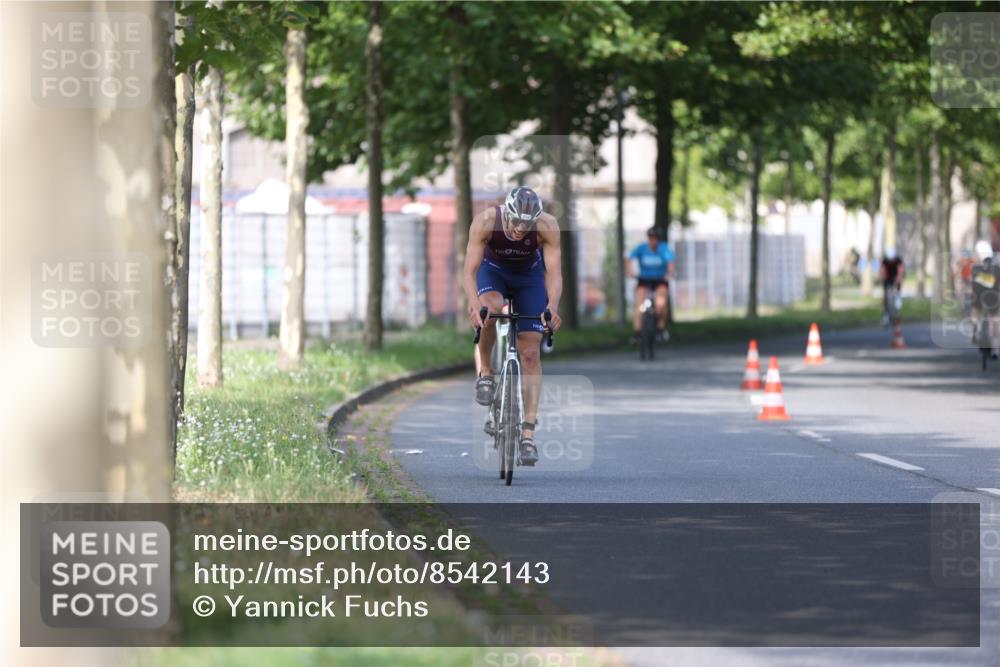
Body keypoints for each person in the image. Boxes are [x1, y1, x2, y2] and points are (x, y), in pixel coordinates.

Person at [464, 186, 562, 466]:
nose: (521, 228)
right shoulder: (486, 221)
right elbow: (469, 271)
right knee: (489, 311)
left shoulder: (547, 226)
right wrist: (474, 305)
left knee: (530, 350)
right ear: (507, 212)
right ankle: (485, 371)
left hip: (528, 278)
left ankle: (528, 435)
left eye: (527, 224)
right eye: (516, 220)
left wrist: (552, 306)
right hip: (492, 273)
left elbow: (554, 273)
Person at [627, 227, 675, 342]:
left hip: (660, 280)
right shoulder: (642, 248)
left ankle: (661, 328)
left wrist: (669, 273)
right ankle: (637, 333)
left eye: (656, 239)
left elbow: (671, 263)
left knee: (660, 304)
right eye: (651, 238)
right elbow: (629, 258)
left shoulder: (664, 249)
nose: (653, 241)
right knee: (639, 304)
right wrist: (629, 271)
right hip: (644, 279)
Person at [970, 240, 999, 357]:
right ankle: (995, 350)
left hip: (978, 298)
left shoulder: (975, 268)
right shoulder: (997, 268)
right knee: (994, 320)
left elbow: (972, 285)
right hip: (993, 299)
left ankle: (975, 331)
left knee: (975, 312)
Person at [879, 247, 905, 327]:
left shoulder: (898, 260)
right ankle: (886, 314)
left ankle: (897, 301)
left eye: (892, 260)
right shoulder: (885, 260)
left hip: (896, 275)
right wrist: (882, 278)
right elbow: (882, 271)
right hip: (888, 277)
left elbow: (901, 272)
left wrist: (898, 281)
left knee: (897, 293)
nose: (891, 261)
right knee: (886, 296)